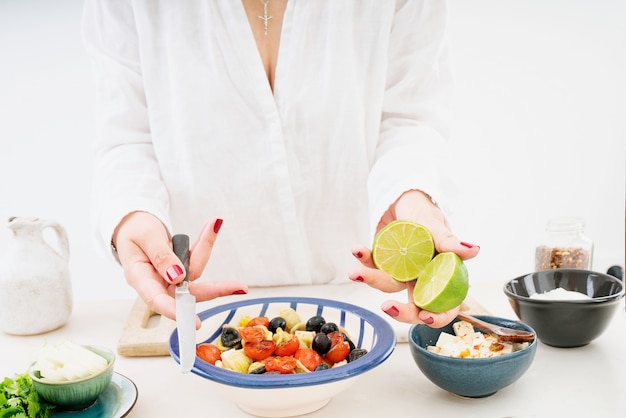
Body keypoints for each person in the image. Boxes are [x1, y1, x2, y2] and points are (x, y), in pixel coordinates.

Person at [82, 0, 479, 330]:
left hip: (366, 302)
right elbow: (125, 137)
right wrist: (133, 217)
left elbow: (410, 118)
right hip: (198, 309)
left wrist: (411, 194)